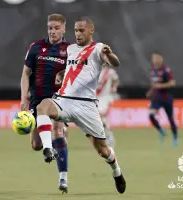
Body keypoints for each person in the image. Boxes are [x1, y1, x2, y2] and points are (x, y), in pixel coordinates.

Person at [35, 17, 126, 193]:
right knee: (43, 106)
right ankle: (48, 148)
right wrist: (61, 74)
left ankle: (117, 172)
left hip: (86, 106)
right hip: (65, 100)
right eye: (76, 30)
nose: (77, 34)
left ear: (91, 31)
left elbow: (116, 63)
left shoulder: (97, 48)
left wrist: (110, 54)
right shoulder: (70, 49)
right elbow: (73, 69)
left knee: (103, 150)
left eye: (81, 30)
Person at [20, 14, 70, 193]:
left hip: (59, 100)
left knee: (57, 131)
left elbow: (76, 74)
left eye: (56, 28)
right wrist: (23, 98)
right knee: (36, 145)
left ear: (64, 28)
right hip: (37, 99)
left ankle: (63, 179)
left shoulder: (70, 50)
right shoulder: (36, 47)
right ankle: (48, 145)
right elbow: (25, 74)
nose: (53, 31)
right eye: (50, 28)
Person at [146, 52, 178, 147]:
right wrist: (150, 91)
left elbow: (172, 83)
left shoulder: (166, 70)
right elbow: (154, 83)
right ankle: (161, 131)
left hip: (166, 98)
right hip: (156, 98)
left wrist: (160, 85)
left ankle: (175, 137)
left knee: (171, 119)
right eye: (153, 58)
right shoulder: (153, 71)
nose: (154, 60)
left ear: (161, 59)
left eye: (156, 58)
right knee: (151, 115)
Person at [96, 64, 119, 149]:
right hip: (95, 98)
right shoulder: (94, 70)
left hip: (105, 98)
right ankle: (107, 135)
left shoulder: (109, 72)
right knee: (101, 120)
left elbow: (116, 80)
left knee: (101, 116)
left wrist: (114, 87)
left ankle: (109, 137)